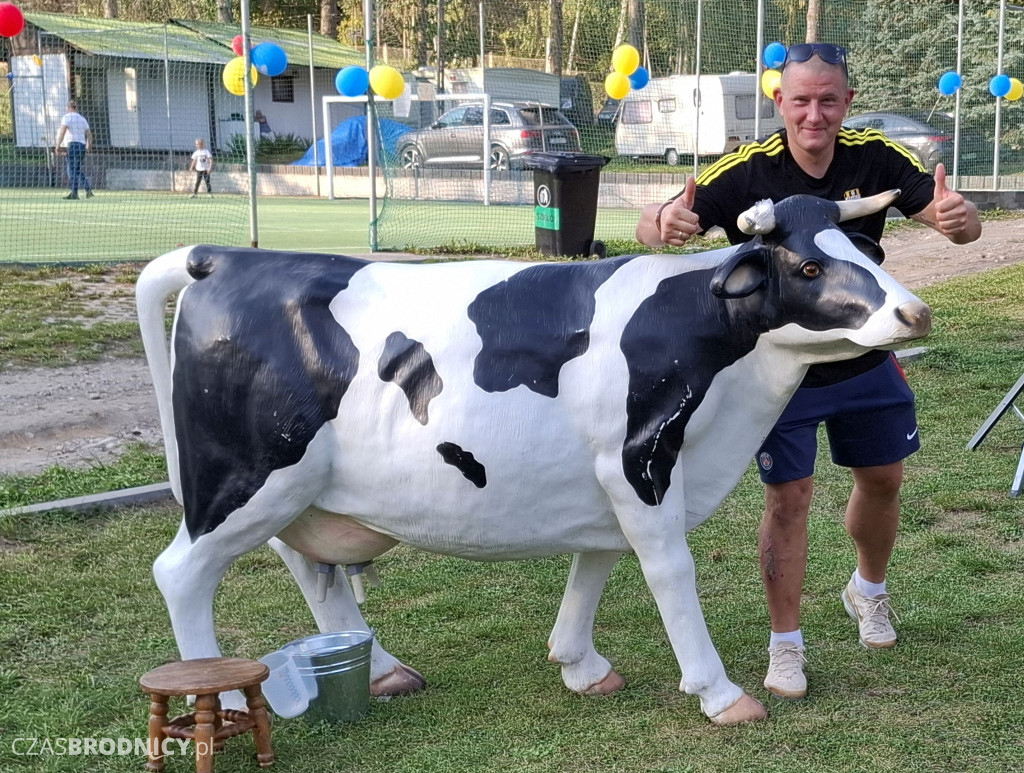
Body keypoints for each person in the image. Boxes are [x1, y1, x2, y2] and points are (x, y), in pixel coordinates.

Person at [636, 43, 981, 701]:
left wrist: (959, 222)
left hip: (865, 358)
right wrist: (664, 221)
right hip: (778, 377)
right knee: (787, 500)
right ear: (780, 103)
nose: (815, 114)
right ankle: (785, 644)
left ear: (846, 103)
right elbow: (655, 227)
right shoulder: (748, 169)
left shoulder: (876, 158)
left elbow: (947, 220)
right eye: (801, 100)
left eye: (829, 100)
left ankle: (868, 591)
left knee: (883, 480)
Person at [54, 100, 93, 200]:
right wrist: (89, 146)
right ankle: (88, 189)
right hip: (82, 146)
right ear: (76, 108)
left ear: (68, 108)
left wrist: (57, 145)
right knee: (77, 170)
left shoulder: (67, 117)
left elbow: (62, 132)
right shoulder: (82, 119)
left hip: (73, 145)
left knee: (71, 170)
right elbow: (89, 135)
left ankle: (74, 193)